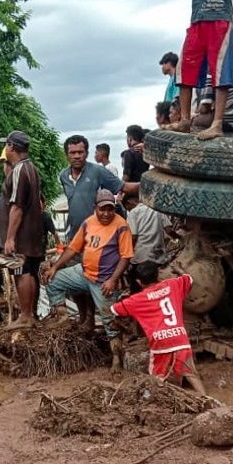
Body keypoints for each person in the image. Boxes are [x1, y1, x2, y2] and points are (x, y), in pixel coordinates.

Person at [41, 189, 133, 370]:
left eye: (110, 209)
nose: (106, 213)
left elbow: (126, 256)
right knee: (53, 280)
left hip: (104, 281)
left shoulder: (121, 226)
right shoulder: (88, 223)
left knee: (110, 321)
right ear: (95, 208)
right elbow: (72, 249)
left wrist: (113, 279)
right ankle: (63, 319)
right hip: (83, 273)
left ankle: (116, 359)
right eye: (102, 209)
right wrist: (55, 267)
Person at [111, 262, 208, 395]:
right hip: (180, 339)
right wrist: (179, 270)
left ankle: (154, 400)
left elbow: (114, 310)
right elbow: (189, 278)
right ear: (157, 276)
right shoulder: (173, 285)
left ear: (139, 282)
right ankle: (207, 399)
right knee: (191, 373)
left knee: (157, 377)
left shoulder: (137, 299)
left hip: (160, 342)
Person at [169, 0, 233, 141]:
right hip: (198, 18)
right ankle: (185, 120)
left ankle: (217, 124)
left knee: (221, 71)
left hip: (220, 15)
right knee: (184, 68)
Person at [0, 131, 45, 330]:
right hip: (32, 233)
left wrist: (10, 238)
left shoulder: (19, 170)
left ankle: (25, 316)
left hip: (21, 235)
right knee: (30, 271)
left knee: (21, 271)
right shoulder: (31, 168)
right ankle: (30, 314)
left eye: (6, 145)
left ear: (11, 147)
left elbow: (17, 206)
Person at [59, 135, 134, 240]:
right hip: (74, 234)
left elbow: (124, 187)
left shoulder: (98, 171)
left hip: (96, 234)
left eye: (80, 152)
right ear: (67, 155)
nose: (77, 156)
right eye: (72, 153)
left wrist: (147, 185)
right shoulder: (64, 176)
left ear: (86, 153)